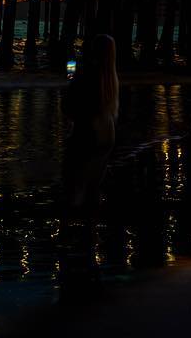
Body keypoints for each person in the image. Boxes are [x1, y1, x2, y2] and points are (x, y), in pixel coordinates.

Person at [61, 34, 120, 253]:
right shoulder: (110, 76)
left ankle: (68, 237)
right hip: (107, 133)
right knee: (94, 185)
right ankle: (90, 233)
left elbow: (69, 103)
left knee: (72, 184)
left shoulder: (86, 74)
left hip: (87, 133)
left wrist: (71, 67)